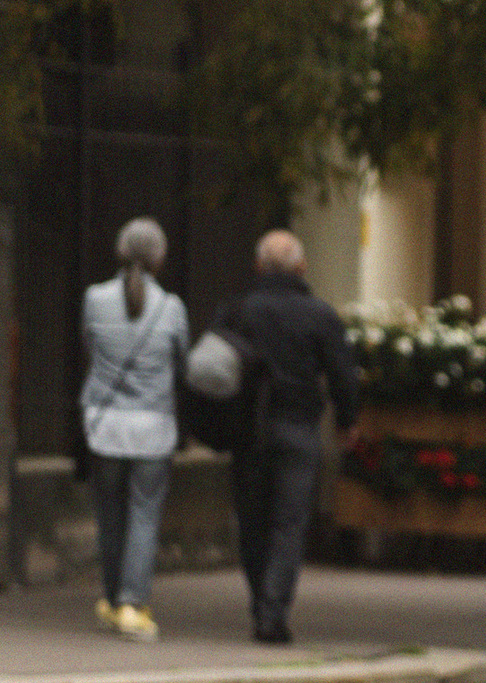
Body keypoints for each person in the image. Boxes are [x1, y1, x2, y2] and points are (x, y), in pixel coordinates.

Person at [214, 229, 360, 646]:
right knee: (288, 524)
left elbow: (214, 364)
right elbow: (342, 375)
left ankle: (261, 600)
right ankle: (272, 613)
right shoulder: (320, 315)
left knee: (252, 522)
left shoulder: (237, 311)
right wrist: (347, 422)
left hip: (248, 431)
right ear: (301, 267)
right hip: (298, 429)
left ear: (259, 266)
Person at [80, 217, 189, 642]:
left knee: (109, 517)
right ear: (160, 258)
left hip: (104, 424)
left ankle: (110, 601)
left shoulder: (94, 299)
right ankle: (131, 602)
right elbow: (181, 365)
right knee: (143, 516)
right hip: (152, 428)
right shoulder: (172, 308)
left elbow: (89, 349)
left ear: (119, 252)